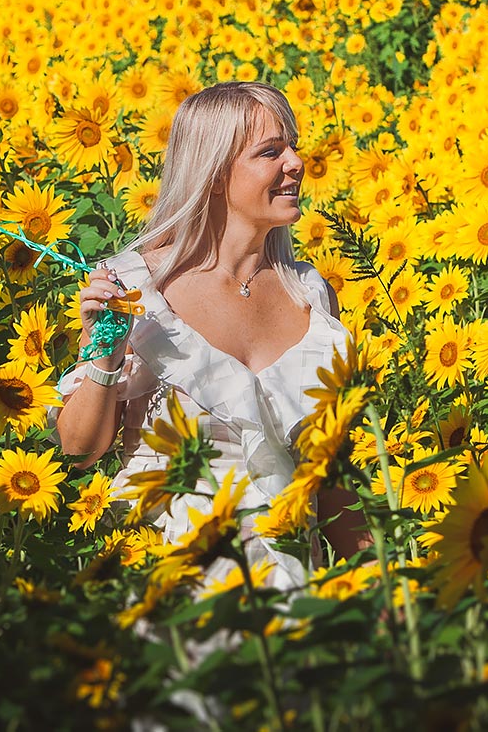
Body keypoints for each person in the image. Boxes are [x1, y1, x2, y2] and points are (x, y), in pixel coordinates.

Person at [50, 80, 369, 597]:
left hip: (292, 596)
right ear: (216, 174)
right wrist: (104, 355)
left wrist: (377, 589)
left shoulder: (310, 293)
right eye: (271, 151)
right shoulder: (135, 287)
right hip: (177, 594)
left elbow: (332, 477)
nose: (295, 163)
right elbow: (79, 449)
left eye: (292, 146)